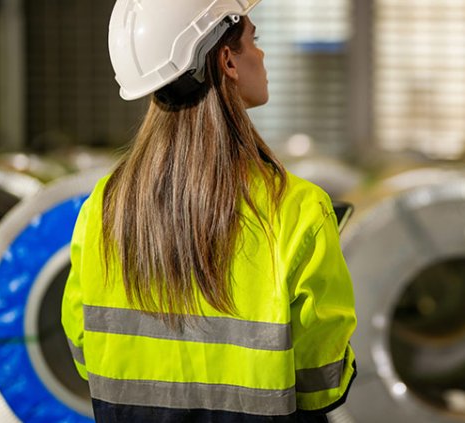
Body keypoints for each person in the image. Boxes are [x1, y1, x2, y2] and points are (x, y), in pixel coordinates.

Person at [61, 0, 357, 421]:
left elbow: (82, 343)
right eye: (254, 40)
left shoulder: (106, 205)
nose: (261, 53)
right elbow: (321, 378)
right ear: (226, 61)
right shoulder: (295, 208)